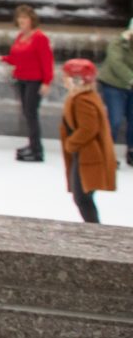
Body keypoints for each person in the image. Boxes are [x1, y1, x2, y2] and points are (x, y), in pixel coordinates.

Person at [59, 59, 116, 223]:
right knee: (83, 197)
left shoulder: (82, 100)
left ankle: (93, 231)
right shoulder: (84, 96)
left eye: (67, 76)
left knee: (82, 197)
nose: (64, 79)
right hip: (86, 154)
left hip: (88, 155)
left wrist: (71, 144)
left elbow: (88, 129)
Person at [1, 4, 55, 163]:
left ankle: (37, 150)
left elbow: (47, 61)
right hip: (21, 79)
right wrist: (3, 58)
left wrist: (46, 82)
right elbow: (15, 58)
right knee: (27, 113)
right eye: (19, 18)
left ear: (32, 20)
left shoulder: (39, 38)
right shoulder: (20, 36)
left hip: (34, 80)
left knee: (31, 114)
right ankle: (32, 145)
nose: (21, 21)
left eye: (24, 18)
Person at [99, 21, 133, 147]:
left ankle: (131, 150)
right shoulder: (118, 43)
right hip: (113, 85)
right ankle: (107, 151)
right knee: (115, 120)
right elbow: (116, 63)